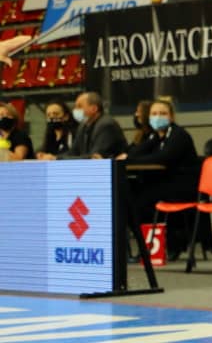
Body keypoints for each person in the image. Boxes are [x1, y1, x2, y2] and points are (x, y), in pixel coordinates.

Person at [119, 99, 203, 260]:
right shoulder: (155, 136)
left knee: (142, 200)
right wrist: (129, 157)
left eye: (163, 113)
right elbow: (136, 152)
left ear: (171, 117)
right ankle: (146, 246)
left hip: (183, 185)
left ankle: (168, 244)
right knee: (131, 197)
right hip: (163, 182)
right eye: (154, 114)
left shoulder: (179, 135)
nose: (158, 117)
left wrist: (129, 160)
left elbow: (163, 158)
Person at [44, 91, 127, 160]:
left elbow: (94, 156)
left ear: (94, 109)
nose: (75, 110)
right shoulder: (83, 125)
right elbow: (74, 152)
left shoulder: (106, 125)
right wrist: (54, 157)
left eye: (79, 106)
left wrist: (57, 158)